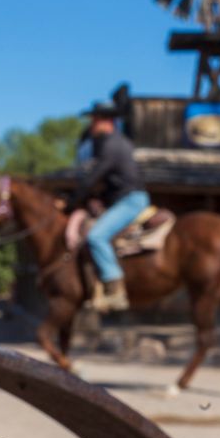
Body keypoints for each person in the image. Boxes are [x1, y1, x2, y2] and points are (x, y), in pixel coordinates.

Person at [71, 101, 149, 311]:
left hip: (130, 199)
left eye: (95, 120)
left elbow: (93, 177)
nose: (92, 125)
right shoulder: (117, 143)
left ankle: (115, 291)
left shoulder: (111, 144)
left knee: (96, 236)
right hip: (123, 197)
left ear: (107, 122)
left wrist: (73, 199)